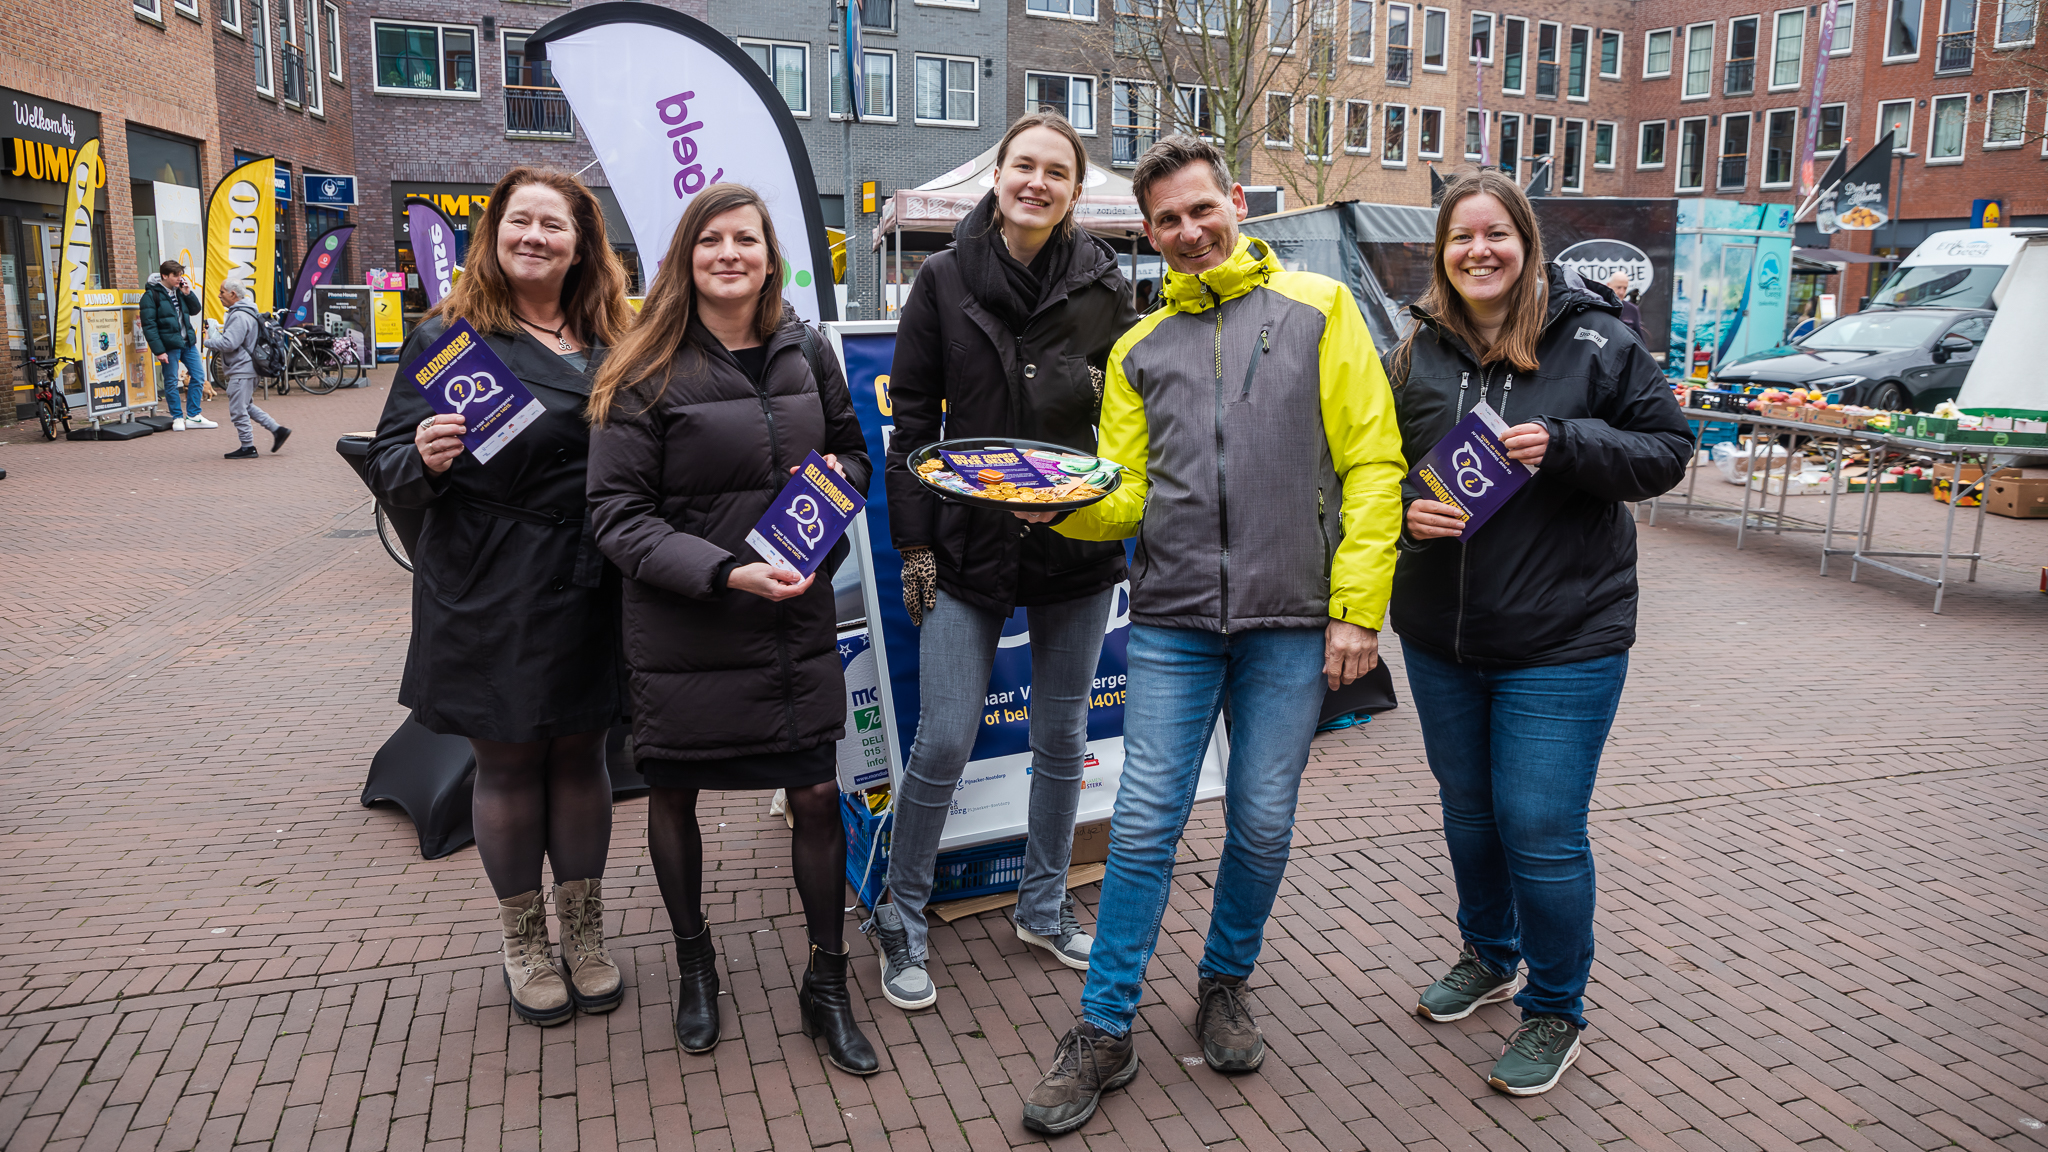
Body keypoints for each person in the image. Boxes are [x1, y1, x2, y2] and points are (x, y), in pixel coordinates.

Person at [1015, 135, 1405, 1136]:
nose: (1187, 233)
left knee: (1263, 823)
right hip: (1176, 623)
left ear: (1233, 203)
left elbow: (1371, 464)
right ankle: (1104, 1027)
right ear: (1146, 235)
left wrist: (1358, 606)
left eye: (1200, 211)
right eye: (1166, 222)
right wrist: (1060, 508)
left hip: (1288, 623)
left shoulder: (1320, 311)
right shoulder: (1140, 349)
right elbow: (1130, 493)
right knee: (1144, 824)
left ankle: (1224, 980)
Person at [1391, 170, 1691, 1096]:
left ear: (1528, 243)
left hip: (1565, 635)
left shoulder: (1597, 337)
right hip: (1443, 633)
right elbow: (1376, 470)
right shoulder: (1416, 354)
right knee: (1470, 814)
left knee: (1541, 829)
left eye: (1497, 234)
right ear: (1442, 252)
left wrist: (1569, 444)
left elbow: (1668, 451)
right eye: (1460, 237)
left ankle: (1556, 1007)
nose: (1479, 251)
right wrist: (1408, 509)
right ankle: (1489, 954)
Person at [585, 183, 879, 1076]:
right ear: (684, 255)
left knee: (817, 799)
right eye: (710, 240)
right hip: (684, 634)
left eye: (745, 240)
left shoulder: (805, 349)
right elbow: (615, 515)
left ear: (770, 253)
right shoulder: (642, 365)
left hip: (790, 623)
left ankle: (827, 983)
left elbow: (854, 453)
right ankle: (695, 965)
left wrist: (821, 519)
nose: (728, 255)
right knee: (674, 800)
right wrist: (722, 571)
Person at [871, 111, 1142, 1011]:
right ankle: (900, 915)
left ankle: (1043, 901)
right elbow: (911, 418)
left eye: (1054, 172)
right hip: (966, 544)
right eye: (1022, 166)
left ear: (1074, 189)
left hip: (1073, 545)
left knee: (1064, 736)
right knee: (943, 737)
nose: (1036, 183)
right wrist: (914, 541)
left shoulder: (1107, 285)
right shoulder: (943, 278)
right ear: (999, 175)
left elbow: (1127, 428)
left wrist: (1119, 515)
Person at [366, 166, 635, 1028]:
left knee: (584, 756)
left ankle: (584, 934)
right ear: (495, 235)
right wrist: (427, 458)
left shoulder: (620, 335)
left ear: (583, 243)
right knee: (511, 761)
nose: (535, 238)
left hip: (594, 575)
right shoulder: (450, 336)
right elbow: (388, 461)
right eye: (520, 222)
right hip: (490, 579)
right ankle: (525, 941)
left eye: (554, 226)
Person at [204, 282, 289, 459]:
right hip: (248, 368)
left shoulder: (238, 316)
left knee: (238, 411)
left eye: (222, 292)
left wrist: (208, 341)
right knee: (246, 406)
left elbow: (229, 344)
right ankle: (277, 430)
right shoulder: (249, 311)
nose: (219, 295)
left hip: (242, 369)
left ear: (233, 294)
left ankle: (248, 447)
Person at [141, 261, 216, 430]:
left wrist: (188, 293)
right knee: (171, 381)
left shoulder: (181, 291)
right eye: (175, 275)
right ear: (164, 276)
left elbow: (196, 310)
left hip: (187, 343)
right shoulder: (151, 295)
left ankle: (193, 415)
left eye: (180, 275)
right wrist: (159, 351)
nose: (179, 278)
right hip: (169, 345)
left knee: (198, 376)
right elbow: (149, 325)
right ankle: (177, 417)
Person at [1605, 272, 1647, 344]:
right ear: (1608, 285)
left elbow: (1640, 341)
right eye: (1618, 287)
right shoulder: (1600, 307)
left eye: (1625, 288)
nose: (1622, 292)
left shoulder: (1632, 309)